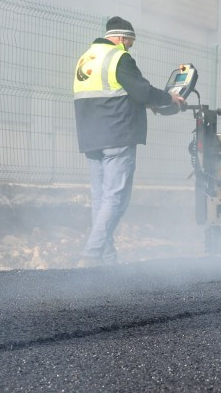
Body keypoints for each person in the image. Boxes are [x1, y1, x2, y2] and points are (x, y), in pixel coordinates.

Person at [73, 16, 183, 266]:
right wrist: (170, 98)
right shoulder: (119, 57)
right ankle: (90, 255)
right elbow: (142, 91)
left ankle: (107, 259)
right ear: (123, 38)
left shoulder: (86, 58)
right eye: (130, 43)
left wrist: (144, 103)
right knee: (115, 199)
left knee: (100, 199)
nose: (130, 48)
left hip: (90, 138)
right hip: (117, 135)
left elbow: (111, 93)